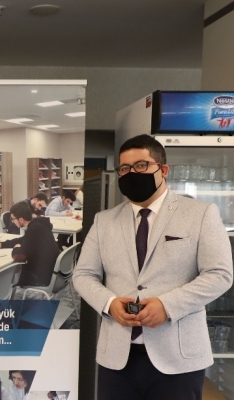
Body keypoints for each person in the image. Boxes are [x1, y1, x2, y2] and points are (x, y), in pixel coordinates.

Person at [72, 134, 233, 400]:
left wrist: (167, 306)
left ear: (163, 170)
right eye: (125, 168)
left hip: (178, 359)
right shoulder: (104, 221)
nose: (131, 173)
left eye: (141, 165)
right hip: (117, 360)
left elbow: (220, 274)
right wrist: (109, 303)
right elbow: (83, 274)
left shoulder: (201, 213)